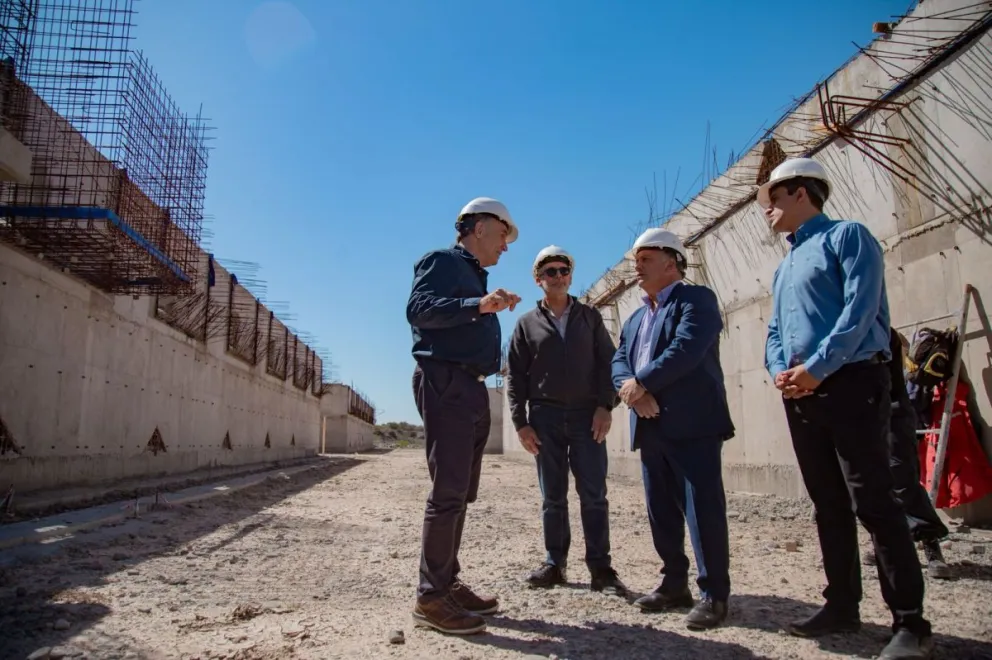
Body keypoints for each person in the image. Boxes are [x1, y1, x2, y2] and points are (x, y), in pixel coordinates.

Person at [761, 157, 933, 660]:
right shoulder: (786, 264)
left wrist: (818, 366)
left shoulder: (847, 237)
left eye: (773, 198)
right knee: (828, 503)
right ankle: (841, 604)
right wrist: (781, 369)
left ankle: (910, 622)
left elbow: (860, 310)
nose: (767, 210)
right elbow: (775, 329)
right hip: (802, 392)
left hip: (853, 382)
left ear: (801, 193)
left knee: (874, 501)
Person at [406, 196, 522, 635]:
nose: (505, 246)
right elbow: (419, 310)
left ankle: (447, 584)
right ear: (480, 227)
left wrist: (484, 302)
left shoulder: (474, 276)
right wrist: (479, 305)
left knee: (460, 493)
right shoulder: (442, 261)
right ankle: (430, 599)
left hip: (470, 387)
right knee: (447, 492)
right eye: (503, 235)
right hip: (446, 381)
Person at [611, 228, 735, 631]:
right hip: (649, 425)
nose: (637, 267)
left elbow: (686, 348)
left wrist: (642, 383)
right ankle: (674, 583)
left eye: (645, 259)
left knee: (702, 509)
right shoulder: (634, 318)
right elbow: (619, 361)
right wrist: (633, 394)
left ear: (672, 262)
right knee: (660, 509)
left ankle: (714, 594)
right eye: (636, 260)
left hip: (693, 423)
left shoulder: (696, 300)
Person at [506, 245, 625, 595]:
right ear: (538, 279)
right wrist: (521, 423)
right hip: (545, 418)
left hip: (587, 417)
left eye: (564, 271)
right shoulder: (526, 324)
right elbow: (515, 377)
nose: (558, 277)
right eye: (550, 272)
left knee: (594, 494)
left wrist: (606, 405)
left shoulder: (590, 318)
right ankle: (554, 564)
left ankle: (601, 569)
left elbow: (609, 364)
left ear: (570, 276)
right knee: (553, 496)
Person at [862, 329, 951, 578]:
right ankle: (886, 544)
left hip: (893, 412)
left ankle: (930, 542)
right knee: (871, 485)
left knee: (902, 478)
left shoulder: (884, 335)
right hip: (862, 416)